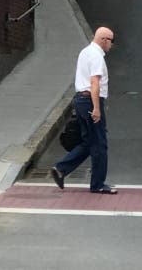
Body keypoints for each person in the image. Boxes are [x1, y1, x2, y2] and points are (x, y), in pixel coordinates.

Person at [50, 26, 118, 194]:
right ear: (104, 40)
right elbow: (94, 82)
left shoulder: (85, 52)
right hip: (89, 101)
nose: (112, 45)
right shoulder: (96, 56)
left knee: (89, 142)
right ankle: (98, 185)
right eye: (111, 41)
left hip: (81, 100)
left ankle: (61, 169)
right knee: (99, 144)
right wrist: (96, 107)